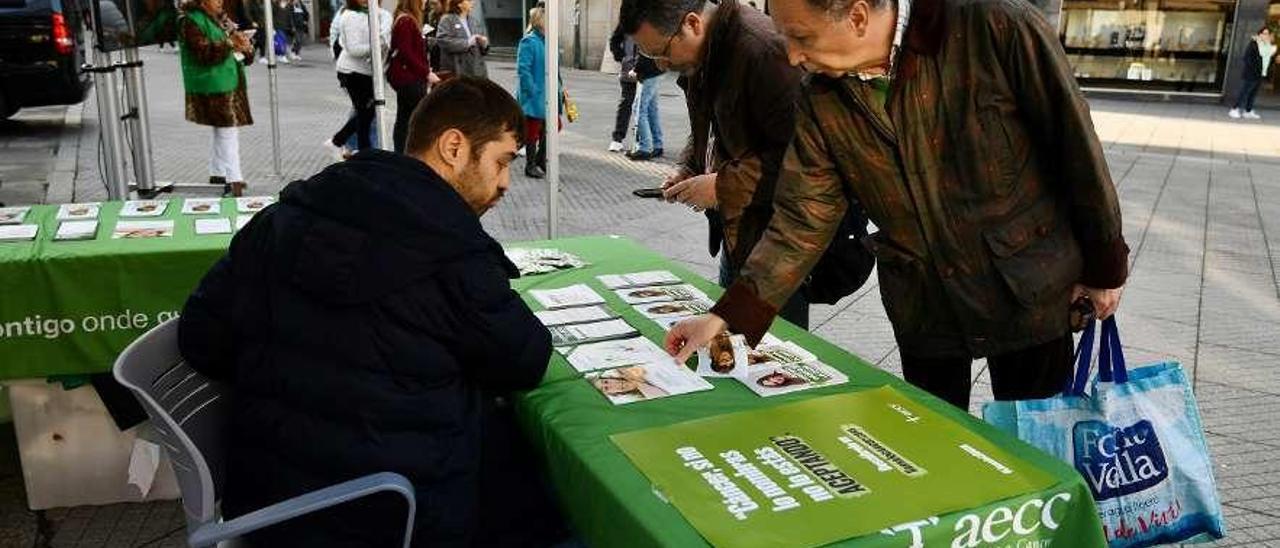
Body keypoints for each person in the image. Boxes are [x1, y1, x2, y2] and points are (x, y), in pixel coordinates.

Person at [667, 0, 1130, 411]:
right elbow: (802, 216)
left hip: (1024, 285)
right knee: (935, 441)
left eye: (800, 36)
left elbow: (1074, 146)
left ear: (858, 15)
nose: (791, 55)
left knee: (1035, 441)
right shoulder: (821, 97)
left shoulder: (995, 25)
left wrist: (1105, 266)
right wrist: (728, 316)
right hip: (924, 302)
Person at [178, 77, 569, 547]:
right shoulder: (452, 250)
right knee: (557, 506)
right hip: (393, 516)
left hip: (266, 507)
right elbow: (526, 360)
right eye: (502, 162)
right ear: (453, 147)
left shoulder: (283, 218)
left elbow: (200, 338)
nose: (506, 182)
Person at [622, 0, 814, 328]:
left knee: (772, 349)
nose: (662, 65)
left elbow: (805, 159)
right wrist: (691, 167)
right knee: (732, 335)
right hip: (739, 232)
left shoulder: (762, 51)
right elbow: (710, 127)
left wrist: (721, 186)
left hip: (778, 242)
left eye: (660, 52)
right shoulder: (709, 52)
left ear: (693, 24)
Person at [177, 0, 255, 197]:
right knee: (228, 130)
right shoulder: (190, 21)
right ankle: (235, 179)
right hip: (211, 85)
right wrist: (230, 44)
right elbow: (203, 53)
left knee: (223, 130)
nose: (221, 2)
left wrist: (244, 45)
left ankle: (217, 174)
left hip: (225, 81)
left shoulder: (220, 19)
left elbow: (235, 44)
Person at [324, 0, 390, 160]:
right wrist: (377, 44)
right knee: (365, 113)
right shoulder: (349, 16)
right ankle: (358, 151)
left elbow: (385, 20)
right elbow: (353, 49)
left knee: (365, 114)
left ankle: (346, 146)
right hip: (352, 72)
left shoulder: (371, 13)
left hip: (365, 72)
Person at [516, 3, 563, 179]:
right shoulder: (529, 41)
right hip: (535, 95)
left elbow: (555, 68)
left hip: (549, 93)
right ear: (540, 22)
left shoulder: (549, 41)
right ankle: (530, 165)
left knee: (552, 126)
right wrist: (531, 91)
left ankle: (541, 159)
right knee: (533, 130)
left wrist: (560, 88)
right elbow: (523, 69)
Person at [389, 0, 437, 152]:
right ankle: (408, 152)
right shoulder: (406, 21)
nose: (425, 2)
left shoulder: (406, 19)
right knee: (415, 118)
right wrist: (426, 72)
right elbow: (406, 53)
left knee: (404, 117)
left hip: (408, 78)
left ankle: (402, 153)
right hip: (409, 79)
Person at [1229, 27, 1276, 120]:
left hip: (1260, 73)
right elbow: (1247, 58)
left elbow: (1267, 59)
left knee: (1253, 94)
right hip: (1251, 73)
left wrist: (1274, 60)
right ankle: (1234, 110)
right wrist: (1254, 69)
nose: (1265, 35)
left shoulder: (1267, 46)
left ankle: (1248, 111)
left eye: (1267, 34)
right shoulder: (1254, 44)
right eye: (1263, 33)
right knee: (1244, 92)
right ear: (1259, 34)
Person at [626, 56, 666, 161]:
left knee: (639, 109)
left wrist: (635, 69)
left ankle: (645, 147)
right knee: (651, 110)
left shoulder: (646, 39)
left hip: (648, 73)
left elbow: (645, 52)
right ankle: (657, 145)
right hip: (656, 71)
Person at [607, 22, 639, 153]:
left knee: (645, 107)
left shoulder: (650, 16)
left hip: (647, 70)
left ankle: (643, 141)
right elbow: (615, 40)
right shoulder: (627, 20)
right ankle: (617, 138)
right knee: (626, 103)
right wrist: (620, 56)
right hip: (629, 68)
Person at [436, 0, 489, 79]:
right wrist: (467, 43)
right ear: (459, 4)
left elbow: (483, 46)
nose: (472, 3)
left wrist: (484, 44)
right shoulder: (447, 19)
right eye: (469, 1)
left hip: (476, 69)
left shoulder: (474, 21)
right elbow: (443, 40)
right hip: (456, 68)